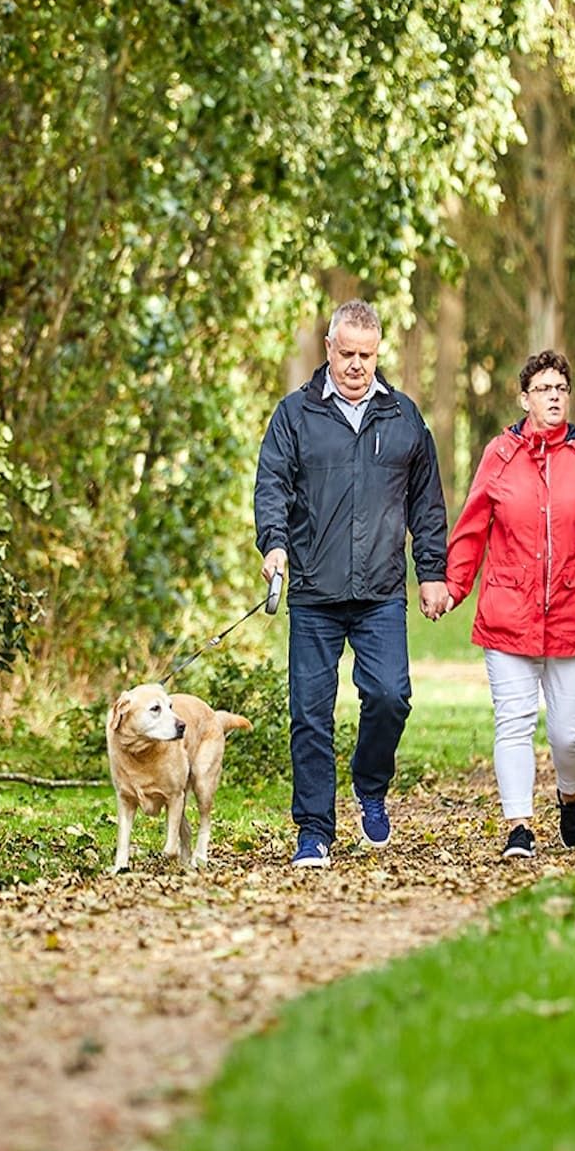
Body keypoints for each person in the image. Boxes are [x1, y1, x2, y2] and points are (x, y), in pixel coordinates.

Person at [254, 300, 452, 868]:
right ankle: (315, 831)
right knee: (310, 714)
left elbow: (427, 503)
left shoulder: (403, 417)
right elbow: (272, 485)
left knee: (391, 696)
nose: (357, 365)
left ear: (378, 352)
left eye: (367, 355)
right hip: (314, 591)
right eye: (347, 354)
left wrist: (432, 573)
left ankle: (370, 785)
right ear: (329, 349)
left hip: (381, 591)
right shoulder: (295, 415)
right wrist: (274, 544)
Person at [442, 349, 575, 860]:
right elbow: (471, 529)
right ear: (524, 398)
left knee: (570, 735)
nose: (554, 397)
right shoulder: (500, 454)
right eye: (544, 389)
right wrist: (453, 587)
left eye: (561, 389)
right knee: (513, 721)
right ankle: (519, 826)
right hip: (508, 614)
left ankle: (570, 795)